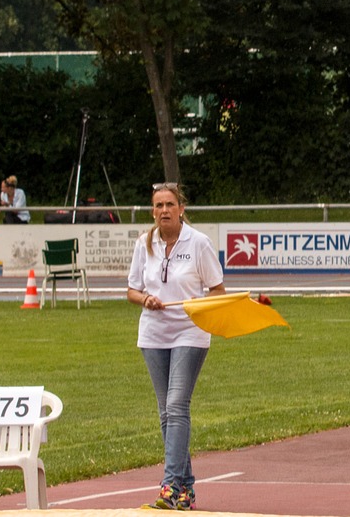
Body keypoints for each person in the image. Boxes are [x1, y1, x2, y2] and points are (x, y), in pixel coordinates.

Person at [126, 183, 226, 510]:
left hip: (190, 331)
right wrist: (147, 299)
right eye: (159, 206)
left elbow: (217, 290)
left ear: (181, 208)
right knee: (166, 412)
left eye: (170, 204)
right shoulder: (146, 244)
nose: (164, 211)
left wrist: (196, 306)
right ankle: (187, 489)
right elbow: (132, 291)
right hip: (153, 333)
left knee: (176, 404)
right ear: (152, 211)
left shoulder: (198, 243)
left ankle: (169, 486)